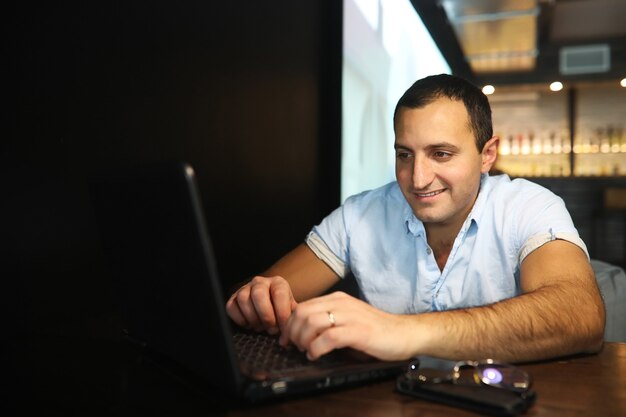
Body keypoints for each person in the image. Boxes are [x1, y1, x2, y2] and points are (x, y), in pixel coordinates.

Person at [226, 74, 605, 363]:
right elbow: (265, 293)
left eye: (441, 154)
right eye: (405, 154)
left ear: (487, 154)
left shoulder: (529, 206)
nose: (417, 179)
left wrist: (400, 331)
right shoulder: (360, 214)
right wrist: (255, 298)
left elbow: (580, 315)